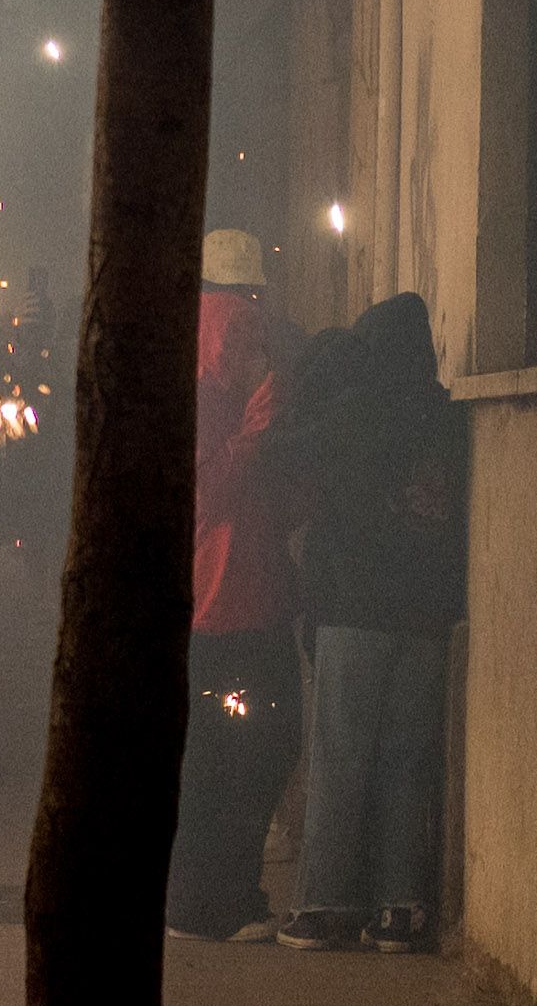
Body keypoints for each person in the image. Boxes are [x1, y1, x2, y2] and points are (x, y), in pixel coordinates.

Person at [277, 294, 468, 952]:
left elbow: (288, 454)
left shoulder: (357, 411)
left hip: (356, 614)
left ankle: (327, 905)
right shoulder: (445, 419)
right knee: (406, 762)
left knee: (341, 756)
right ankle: (401, 908)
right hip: (427, 620)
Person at [162, 228, 300, 941]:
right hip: (234, 598)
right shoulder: (225, 374)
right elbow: (210, 494)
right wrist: (257, 428)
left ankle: (206, 898)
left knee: (214, 754)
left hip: (215, 597)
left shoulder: (183, 364)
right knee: (248, 750)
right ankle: (213, 900)